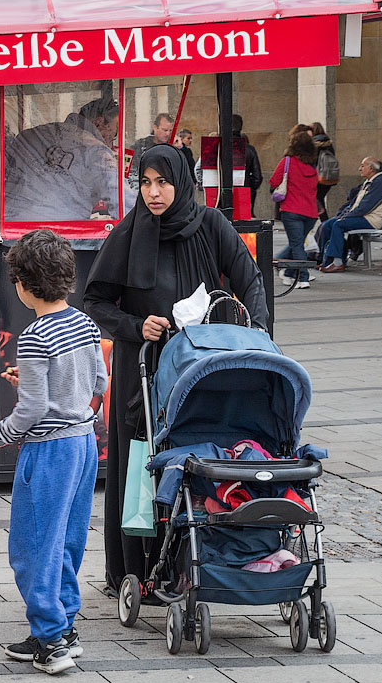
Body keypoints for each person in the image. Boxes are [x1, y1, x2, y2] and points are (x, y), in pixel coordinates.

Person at [84, 144, 268, 595]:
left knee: (198, 452)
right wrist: (134, 324)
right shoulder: (128, 233)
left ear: (182, 181)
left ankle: (204, 557)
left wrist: (259, 337)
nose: (154, 192)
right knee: (142, 461)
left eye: (162, 181)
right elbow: (95, 301)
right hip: (144, 367)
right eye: (144, 183)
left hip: (202, 364)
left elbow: (249, 279)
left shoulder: (210, 224)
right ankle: (139, 570)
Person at [0, 230, 108, 674]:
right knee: (67, 539)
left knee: (33, 546)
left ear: (24, 284)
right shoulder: (85, 323)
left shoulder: (34, 337)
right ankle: (63, 625)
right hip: (83, 446)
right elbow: (98, 385)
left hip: (48, 453)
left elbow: (30, 411)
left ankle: (50, 642)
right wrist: (67, 408)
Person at [0, 98, 134, 222]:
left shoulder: (29, 136)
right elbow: (121, 199)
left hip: (10, 234)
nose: (111, 142)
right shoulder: (94, 149)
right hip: (60, 241)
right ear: (99, 122)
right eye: (114, 133)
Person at [319, 157, 382, 273]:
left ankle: (338, 263)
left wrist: (344, 217)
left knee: (338, 225)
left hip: (370, 220)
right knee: (328, 224)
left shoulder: (380, 182)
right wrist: (342, 214)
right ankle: (327, 261)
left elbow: (366, 207)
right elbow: (353, 204)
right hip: (361, 217)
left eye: (362, 166)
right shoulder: (369, 182)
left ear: (371, 168)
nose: (359, 169)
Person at [270, 130, 318, 289]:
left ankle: (302, 277)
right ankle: (288, 273)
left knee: (297, 245)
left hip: (292, 210)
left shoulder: (287, 162)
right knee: (296, 243)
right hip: (311, 212)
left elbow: (273, 180)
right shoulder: (312, 165)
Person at [128, 112, 174, 189]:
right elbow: (131, 171)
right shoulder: (140, 146)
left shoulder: (172, 148)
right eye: (165, 130)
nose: (168, 134)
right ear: (155, 128)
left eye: (170, 131)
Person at [232, 115, 263, 214]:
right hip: (244, 191)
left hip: (219, 192)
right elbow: (257, 176)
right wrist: (249, 189)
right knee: (243, 223)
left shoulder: (216, 147)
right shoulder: (249, 149)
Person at [310, 122, 337, 222]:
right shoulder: (328, 143)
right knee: (319, 198)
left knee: (317, 198)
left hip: (318, 176)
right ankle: (323, 220)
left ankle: (324, 220)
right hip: (328, 176)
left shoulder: (314, 144)